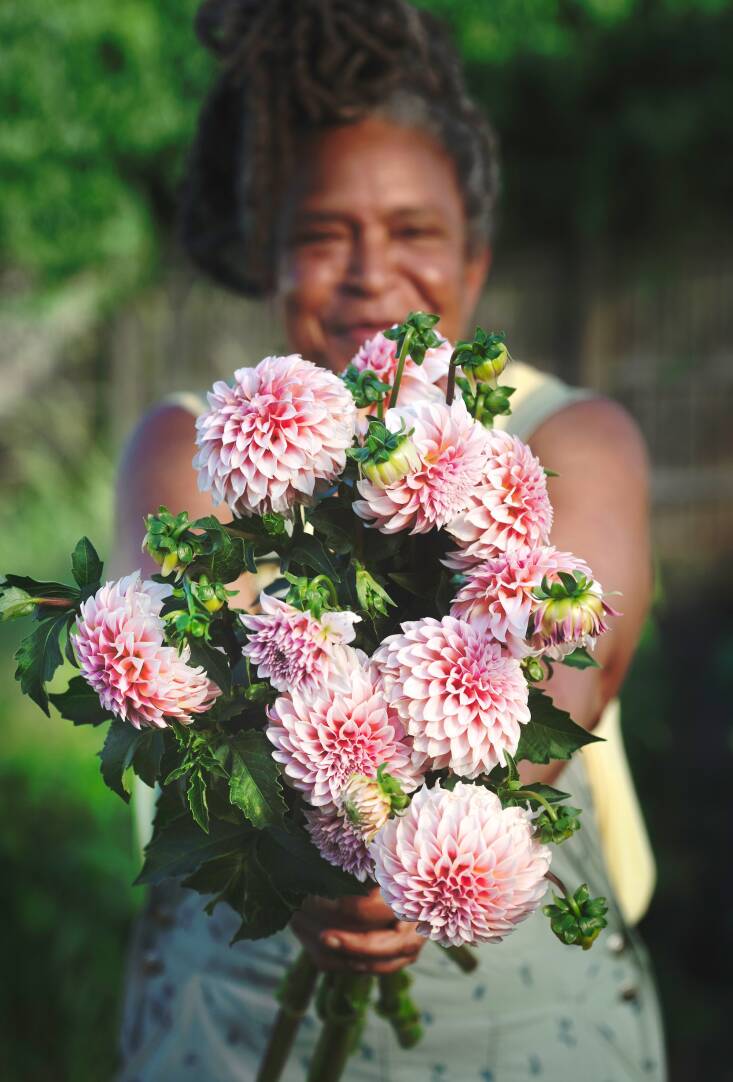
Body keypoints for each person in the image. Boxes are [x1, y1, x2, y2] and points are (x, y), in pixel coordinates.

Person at [114, 1, 666, 1078]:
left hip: (529, 1008)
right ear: (267, 260)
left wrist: (415, 856)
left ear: (473, 261)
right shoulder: (191, 439)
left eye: (414, 231)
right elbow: (173, 664)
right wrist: (324, 840)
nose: (371, 273)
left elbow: (569, 667)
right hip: (228, 1005)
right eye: (323, 233)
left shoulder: (569, 435)